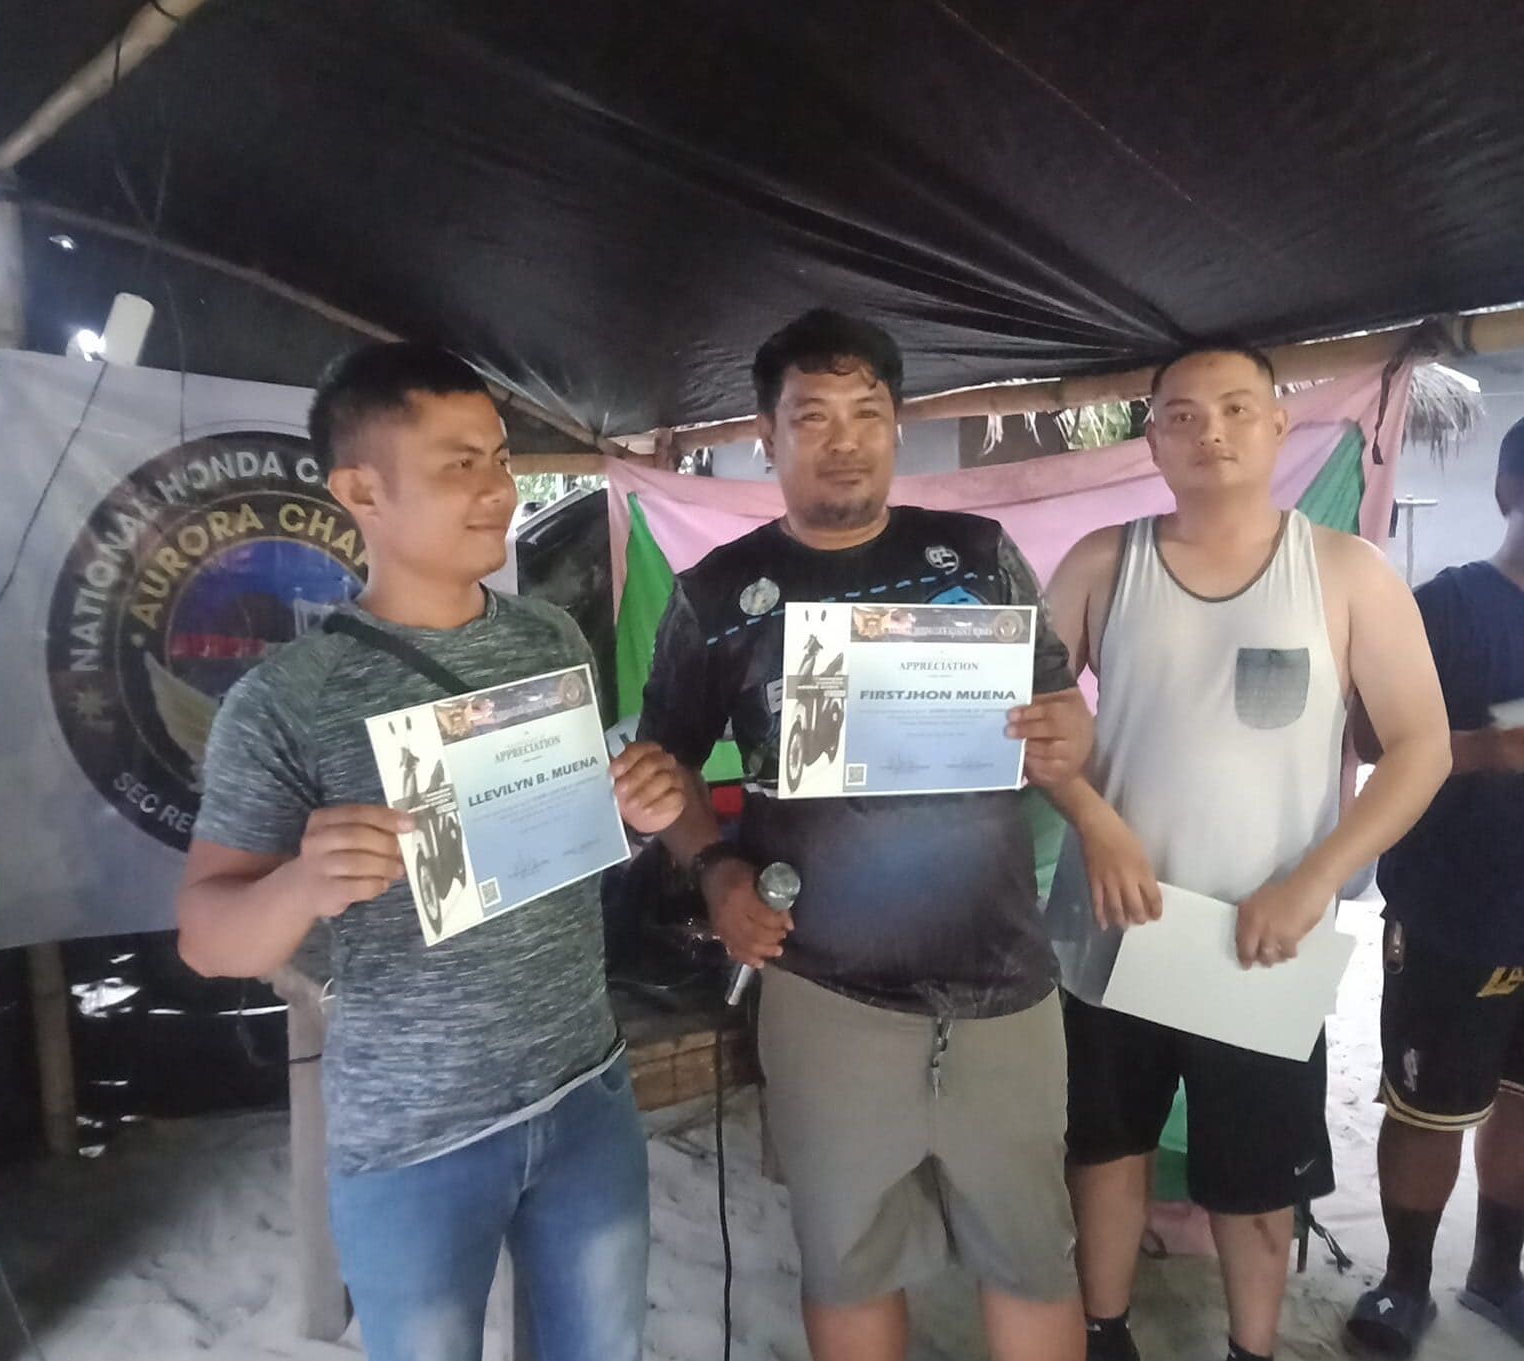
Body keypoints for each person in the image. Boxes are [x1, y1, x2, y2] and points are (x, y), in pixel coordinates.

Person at [175, 342, 684, 1361]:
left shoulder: (550, 640)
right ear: (361, 490)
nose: (498, 489)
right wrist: (301, 881)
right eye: (460, 464)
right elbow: (207, 937)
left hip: (584, 1087)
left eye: (501, 458)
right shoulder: (286, 701)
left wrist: (629, 813)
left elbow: (558, 846)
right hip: (416, 1136)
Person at [640, 308, 1093, 1361]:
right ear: (767, 434)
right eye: (812, 416)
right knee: (847, 1263)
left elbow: (1058, 708)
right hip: (825, 984)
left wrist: (1067, 733)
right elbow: (667, 772)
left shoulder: (976, 555)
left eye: (867, 413)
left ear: (897, 426)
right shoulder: (717, 597)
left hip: (1002, 977)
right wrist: (716, 871)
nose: (843, 439)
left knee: (1031, 1256)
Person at [1040, 344, 1451, 1361]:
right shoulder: (1102, 563)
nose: (1210, 431)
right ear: (1152, 439)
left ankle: (1250, 1347)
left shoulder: (1346, 572)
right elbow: (1025, 724)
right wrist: (1093, 817)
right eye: (1182, 414)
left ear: (1276, 425)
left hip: (1263, 939)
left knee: (1260, 1183)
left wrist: (1315, 880)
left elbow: (1422, 747)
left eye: (1235, 408)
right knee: (1106, 1148)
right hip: (1115, 925)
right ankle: (1104, 1333)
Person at [1345, 416, 1524, 1356]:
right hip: (1455, 911)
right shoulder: (1445, 606)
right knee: (1429, 1108)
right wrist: (1492, 749)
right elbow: (1368, 738)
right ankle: (1404, 1283)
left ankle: (1498, 1274)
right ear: (1507, 491)